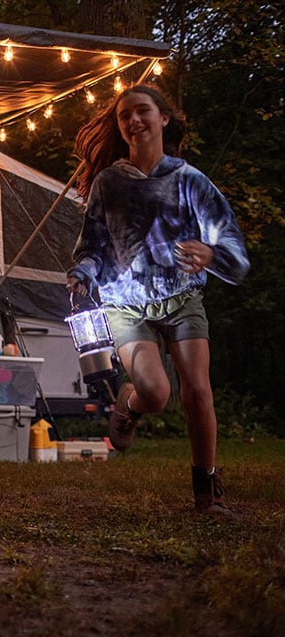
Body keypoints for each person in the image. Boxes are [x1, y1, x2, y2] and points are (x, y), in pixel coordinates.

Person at [66, 84, 250, 515]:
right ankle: (129, 403)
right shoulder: (109, 182)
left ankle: (207, 491)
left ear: (163, 118)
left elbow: (235, 253)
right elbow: (92, 245)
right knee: (156, 392)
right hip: (124, 303)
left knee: (197, 391)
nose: (133, 120)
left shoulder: (191, 182)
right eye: (124, 115)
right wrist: (81, 273)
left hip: (182, 298)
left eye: (142, 111)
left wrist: (211, 254)